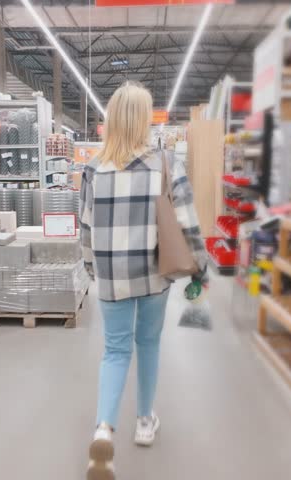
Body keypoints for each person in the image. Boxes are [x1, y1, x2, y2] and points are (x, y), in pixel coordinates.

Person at [78, 81, 208, 480]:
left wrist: (92, 269)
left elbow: (85, 228)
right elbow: (187, 222)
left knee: (115, 350)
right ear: (143, 120)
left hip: (112, 277)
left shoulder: (93, 169)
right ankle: (145, 421)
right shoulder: (165, 164)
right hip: (153, 274)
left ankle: (103, 429)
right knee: (148, 344)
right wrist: (200, 267)